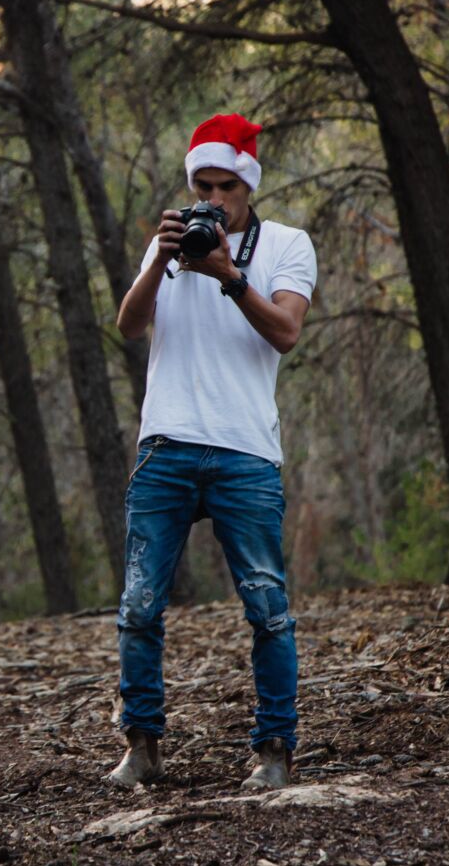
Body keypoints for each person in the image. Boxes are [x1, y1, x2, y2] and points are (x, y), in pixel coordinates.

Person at [106, 113, 316, 792]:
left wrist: (228, 274)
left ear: (247, 186)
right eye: (205, 184)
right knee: (139, 604)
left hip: (245, 452)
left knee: (267, 607)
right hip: (165, 443)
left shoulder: (287, 244)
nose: (216, 199)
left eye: (228, 185)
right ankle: (141, 746)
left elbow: (285, 331)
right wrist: (164, 257)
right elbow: (129, 326)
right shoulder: (166, 247)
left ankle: (275, 752)